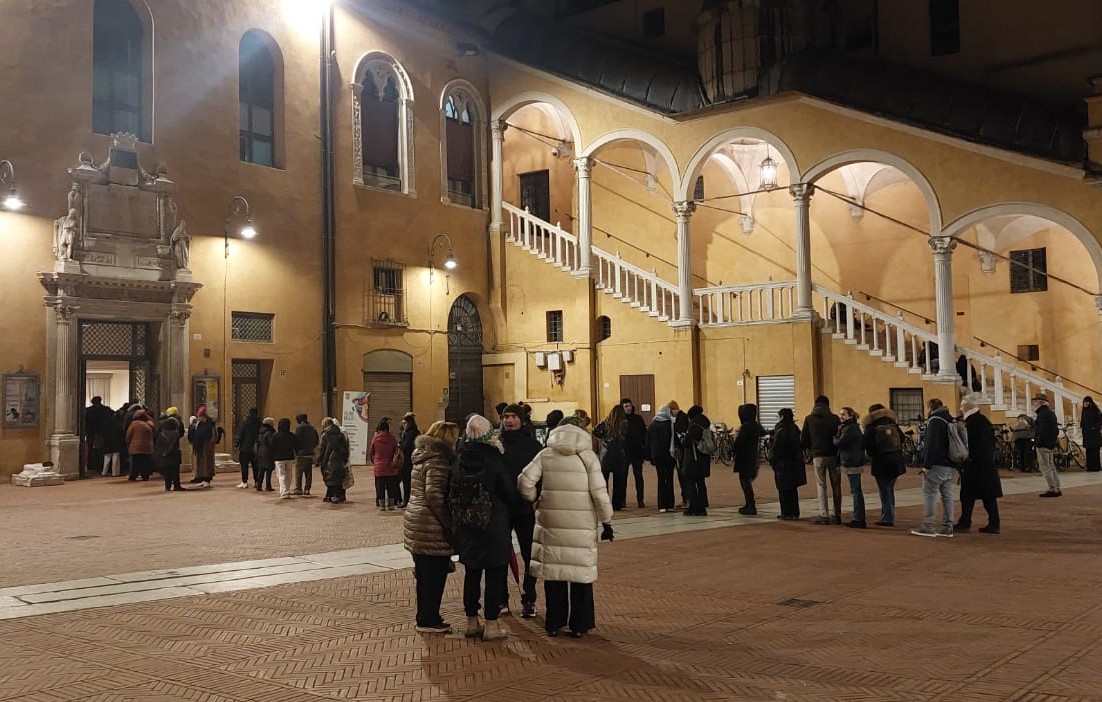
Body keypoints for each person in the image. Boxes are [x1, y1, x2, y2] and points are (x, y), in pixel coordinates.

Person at [519, 415, 614, 638]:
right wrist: (607, 521)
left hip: (551, 521)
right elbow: (599, 493)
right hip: (581, 524)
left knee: (554, 574)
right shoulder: (588, 457)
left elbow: (524, 481)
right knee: (580, 576)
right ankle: (579, 624)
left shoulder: (545, 454)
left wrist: (533, 498)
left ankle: (554, 622)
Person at [454, 414, 516, 642]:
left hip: (467, 525)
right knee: (495, 575)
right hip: (493, 525)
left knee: (471, 573)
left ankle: (471, 622)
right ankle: (491, 625)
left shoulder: (459, 459)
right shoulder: (494, 459)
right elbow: (509, 493)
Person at [402, 420, 459, 633]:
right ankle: (428, 619)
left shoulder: (421, 456)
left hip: (417, 520)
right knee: (433, 575)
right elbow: (434, 495)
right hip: (430, 524)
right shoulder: (438, 461)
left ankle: (425, 616)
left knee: (424, 574)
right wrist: (449, 523)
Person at [498, 403, 543, 617]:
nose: (509, 420)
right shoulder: (497, 443)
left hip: (524, 508)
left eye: (513, 416)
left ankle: (529, 598)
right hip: (502, 508)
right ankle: (501, 599)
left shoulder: (533, 445)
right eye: (506, 417)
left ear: (521, 420)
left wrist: (536, 497)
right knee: (500, 555)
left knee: (529, 553)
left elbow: (542, 474)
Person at [911, 398, 958, 538]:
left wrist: (927, 466)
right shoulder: (950, 420)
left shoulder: (935, 421)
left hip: (936, 464)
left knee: (929, 494)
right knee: (947, 495)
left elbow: (932, 445)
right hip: (950, 463)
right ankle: (947, 527)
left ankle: (928, 526)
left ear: (930, 408)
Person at [955, 395, 1002, 534]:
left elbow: (970, 444)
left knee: (969, 495)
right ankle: (992, 523)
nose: (960, 409)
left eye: (962, 406)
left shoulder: (973, 423)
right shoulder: (982, 420)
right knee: (986, 496)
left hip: (975, 465)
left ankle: (966, 522)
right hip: (985, 464)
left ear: (968, 407)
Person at [862, 403, 906, 527]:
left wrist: (871, 454)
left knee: (884, 490)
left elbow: (868, 445)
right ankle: (889, 514)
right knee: (889, 489)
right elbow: (902, 438)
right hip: (896, 461)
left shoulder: (871, 426)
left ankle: (887, 517)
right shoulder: (892, 423)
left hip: (881, 461)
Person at [802, 395, 842, 525]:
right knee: (836, 485)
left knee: (821, 485)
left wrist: (809, 449)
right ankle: (836, 514)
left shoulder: (809, 419)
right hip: (834, 456)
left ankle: (823, 514)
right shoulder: (835, 418)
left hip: (818, 455)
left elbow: (803, 439)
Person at [769, 408, 806, 520]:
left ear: (781, 417)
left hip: (783, 464)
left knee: (783, 489)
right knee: (793, 489)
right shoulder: (795, 428)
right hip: (794, 463)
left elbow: (777, 448)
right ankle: (795, 513)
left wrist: (772, 460)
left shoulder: (781, 430)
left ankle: (786, 513)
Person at [834, 407, 866, 528]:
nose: (841, 416)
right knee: (856, 490)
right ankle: (858, 517)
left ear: (850, 416)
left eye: (843, 414)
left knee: (856, 490)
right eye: (840, 414)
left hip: (852, 461)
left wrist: (834, 438)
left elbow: (840, 442)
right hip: (853, 460)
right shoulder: (850, 427)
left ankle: (858, 518)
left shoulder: (850, 428)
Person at [594, 404, 629, 510]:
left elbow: (595, 431)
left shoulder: (605, 422)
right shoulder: (624, 424)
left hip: (605, 455)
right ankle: (617, 503)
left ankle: (604, 503)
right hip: (619, 455)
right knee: (618, 481)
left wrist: (602, 439)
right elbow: (626, 438)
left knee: (603, 481)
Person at [681, 405, 712, 516]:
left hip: (693, 459)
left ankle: (694, 507)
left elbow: (686, 442)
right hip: (704, 459)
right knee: (701, 483)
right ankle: (702, 506)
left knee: (690, 483)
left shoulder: (694, 426)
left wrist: (683, 438)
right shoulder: (705, 424)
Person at [732, 403, 763, 515]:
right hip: (752, 457)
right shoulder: (756, 425)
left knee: (745, 481)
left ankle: (750, 504)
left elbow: (739, 442)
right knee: (747, 480)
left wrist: (733, 448)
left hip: (744, 458)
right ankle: (749, 503)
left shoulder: (746, 427)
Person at [647, 405, 677, 512]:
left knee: (660, 479)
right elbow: (674, 440)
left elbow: (648, 441)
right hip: (669, 455)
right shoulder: (670, 424)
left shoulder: (653, 424)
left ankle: (662, 505)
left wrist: (650, 456)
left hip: (657, 456)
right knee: (669, 479)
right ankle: (670, 504)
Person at [621, 398, 648, 508]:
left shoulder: (638, 418)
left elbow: (644, 433)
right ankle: (622, 500)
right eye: (626, 406)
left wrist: (645, 448)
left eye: (630, 406)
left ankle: (640, 499)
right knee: (623, 477)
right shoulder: (620, 420)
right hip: (624, 452)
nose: (629, 408)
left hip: (637, 451)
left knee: (639, 476)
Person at [1032, 394, 1061, 497]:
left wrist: (1038, 442)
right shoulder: (1051, 413)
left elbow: (1042, 431)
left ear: (1041, 403)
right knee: (1051, 466)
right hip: (1050, 443)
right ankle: (1057, 487)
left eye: (1035, 402)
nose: (1034, 404)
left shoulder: (1042, 415)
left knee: (1045, 467)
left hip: (1043, 444)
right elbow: (1055, 430)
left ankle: (1052, 488)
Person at [370, 418, 401, 509]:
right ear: (388, 429)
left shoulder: (375, 439)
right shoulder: (392, 438)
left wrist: (375, 462)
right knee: (391, 486)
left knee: (380, 486)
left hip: (379, 467)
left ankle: (382, 505)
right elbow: (396, 451)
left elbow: (371, 452)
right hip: (391, 466)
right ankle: (391, 505)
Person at [318, 417, 350, 504]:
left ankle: (333, 495)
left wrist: (319, 460)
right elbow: (345, 448)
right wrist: (345, 459)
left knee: (330, 477)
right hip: (339, 459)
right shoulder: (340, 434)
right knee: (337, 477)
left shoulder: (325, 435)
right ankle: (335, 495)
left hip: (328, 459)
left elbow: (322, 449)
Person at [154, 407, 186, 492]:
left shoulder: (162, 433)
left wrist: (162, 453)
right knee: (175, 471)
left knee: (167, 472)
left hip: (164, 455)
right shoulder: (176, 433)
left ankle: (167, 486)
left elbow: (158, 443)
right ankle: (176, 485)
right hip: (174, 454)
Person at [187, 405, 217, 487]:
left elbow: (213, 435)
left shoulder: (210, 424)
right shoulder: (200, 423)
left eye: (200, 417)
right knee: (202, 463)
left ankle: (207, 480)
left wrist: (209, 443)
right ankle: (203, 478)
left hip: (207, 446)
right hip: (200, 445)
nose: (198, 418)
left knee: (207, 463)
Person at [84, 396, 113, 477]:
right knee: (101, 450)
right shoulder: (106, 410)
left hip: (92, 432)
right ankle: (99, 465)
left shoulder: (89, 410)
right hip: (102, 432)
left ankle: (92, 465)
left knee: (92, 449)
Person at [125, 409, 156, 481]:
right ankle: (145, 476)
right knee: (145, 462)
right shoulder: (149, 423)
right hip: (148, 448)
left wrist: (128, 444)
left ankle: (133, 476)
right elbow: (154, 434)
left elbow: (128, 435)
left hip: (136, 447)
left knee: (135, 463)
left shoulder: (134, 424)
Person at [669, 401, 690, 507]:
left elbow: (679, 434)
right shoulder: (682, 417)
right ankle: (686, 498)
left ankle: (686, 498)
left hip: (681, 452)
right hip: (681, 451)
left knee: (683, 476)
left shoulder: (681, 419)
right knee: (683, 475)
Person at [293, 413, 319, 496]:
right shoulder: (312, 428)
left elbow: (296, 440)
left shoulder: (299, 428)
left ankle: (298, 488)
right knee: (308, 472)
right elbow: (316, 440)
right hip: (310, 452)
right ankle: (307, 489)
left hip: (301, 453)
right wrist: (311, 447)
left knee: (299, 472)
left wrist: (297, 450)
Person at [397, 412, 420, 507]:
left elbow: (406, 446)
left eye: (405, 423)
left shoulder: (410, 433)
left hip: (407, 461)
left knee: (407, 482)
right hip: (412, 460)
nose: (403, 425)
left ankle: (406, 500)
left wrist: (400, 445)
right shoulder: (415, 432)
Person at [235, 407, 261, 489]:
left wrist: (236, 444)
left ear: (249, 412)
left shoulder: (245, 421)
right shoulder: (259, 422)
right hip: (256, 447)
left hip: (245, 447)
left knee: (244, 465)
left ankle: (244, 482)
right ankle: (256, 482)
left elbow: (241, 433)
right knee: (255, 466)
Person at [272, 418, 297, 499]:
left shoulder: (276, 435)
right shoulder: (291, 435)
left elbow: (272, 446)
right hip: (289, 457)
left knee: (281, 475)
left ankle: (284, 492)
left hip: (279, 458)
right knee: (289, 475)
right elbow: (295, 445)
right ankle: (287, 490)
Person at [1081, 396, 1101, 472]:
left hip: (1094, 435)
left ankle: (1096, 467)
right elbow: (1083, 421)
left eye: (1086, 402)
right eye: (1084, 402)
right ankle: (1090, 467)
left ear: (1090, 402)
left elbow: (1100, 420)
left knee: (1095, 451)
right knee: (1088, 451)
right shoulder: (1084, 411)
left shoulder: (1095, 410)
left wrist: (1094, 427)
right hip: (1087, 435)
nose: (1085, 404)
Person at [255, 417, 276, 492]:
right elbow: (271, 443)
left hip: (260, 452)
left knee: (261, 469)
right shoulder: (270, 432)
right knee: (269, 469)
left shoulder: (261, 431)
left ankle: (259, 485)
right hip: (268, 452)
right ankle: (268, 485)